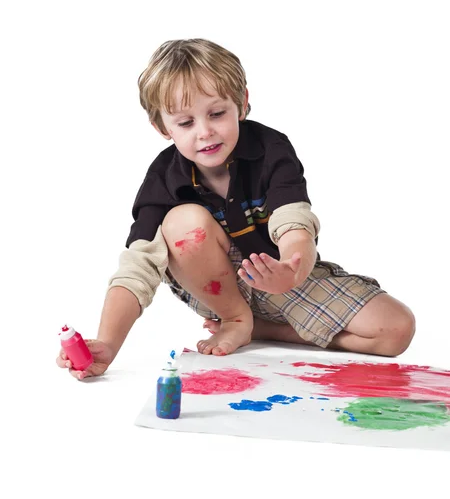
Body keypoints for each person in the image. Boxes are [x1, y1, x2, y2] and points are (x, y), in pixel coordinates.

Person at [56, 38, 415, 380]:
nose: (205, 132)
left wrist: (292, 270)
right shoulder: (163, 178)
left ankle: (263, 328)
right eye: (185, 122)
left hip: (279, 273)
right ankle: (235, 320)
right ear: (161, 127)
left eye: (216, 113)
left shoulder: (271, 148)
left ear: (242, 103)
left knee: (397, 330)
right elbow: (138, 267)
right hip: (216, 288)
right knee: (184, 222)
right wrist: (106, 343)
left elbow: (294, 221)